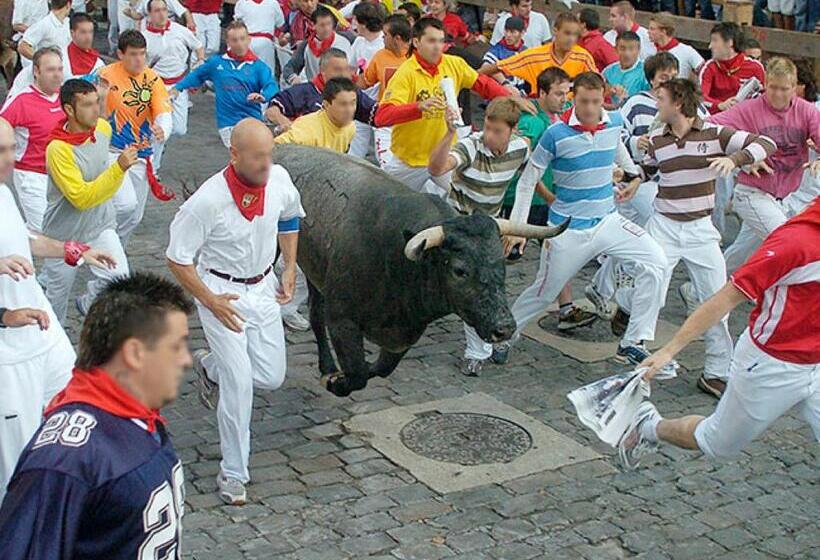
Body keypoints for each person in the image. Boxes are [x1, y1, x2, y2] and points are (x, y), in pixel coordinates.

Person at [0, 272, 194, 556]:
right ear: (135, 353)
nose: (186, 359)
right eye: (176, 346)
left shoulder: (138, 419)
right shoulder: (66, 459)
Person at [620, 198, 820, 470]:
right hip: (772, 365)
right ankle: (650, 426)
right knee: (717, 443)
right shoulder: (794, 244)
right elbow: (723, 300)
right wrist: (668, 350)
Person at [166, 118, 304, 505]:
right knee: (240, 383)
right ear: (235, 154)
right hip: (220, 291)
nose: (266, 163)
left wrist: (289, 265)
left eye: (269, 154)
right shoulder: (207, 201)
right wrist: (209, 300)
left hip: (262, 287)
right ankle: (233, 473)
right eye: (258, 156)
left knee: (271, 376)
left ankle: (210, 366)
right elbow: (177, 258)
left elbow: (291, 216)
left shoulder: (278, 179)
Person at [494, 72, 666, 367]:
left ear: (603, 99)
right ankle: (504, 336)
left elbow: (620, 153)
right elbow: (528, 179)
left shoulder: (612, 121)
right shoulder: (555, 133)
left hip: (607, 221)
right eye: (584, 101)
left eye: (596, 102)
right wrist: (519, 229)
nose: (589, 109)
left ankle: (632, 341)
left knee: (658, 261)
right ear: (574, 98)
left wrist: (632, 177)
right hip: (567, 230)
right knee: (544, 292)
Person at [0, 116, 114, 503]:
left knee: (77, 404)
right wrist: (4, 316)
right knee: (15, 462)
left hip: (42, 332)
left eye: (11, 148)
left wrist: (76, 251)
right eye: (1, 152)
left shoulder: (2, 192)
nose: (11, 160)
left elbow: (25, 237)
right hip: (8, 351)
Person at [642, 78, 776, 399]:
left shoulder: (715, 133)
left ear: (678, 103)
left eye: (661, 98)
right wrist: (632, 167)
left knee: (717, 300)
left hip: (701, 230)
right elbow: (645, 174)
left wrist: (734, 159)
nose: (656, 103)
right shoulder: (656, 138)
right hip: (664, 226)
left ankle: (716, 372)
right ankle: (642, 360)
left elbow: (764, 144)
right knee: (649, 293)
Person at [427, 98, 531, 376]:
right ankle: (477, 351)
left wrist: (517, 227)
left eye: (498, 131)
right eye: (488, 128)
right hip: (461, 224)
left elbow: (528, 183)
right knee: (472, 286)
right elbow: (436, 169)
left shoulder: (522, 149)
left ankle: (494, 335)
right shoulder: (471, 145)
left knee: (493, 284)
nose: (490, 135)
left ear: (513, 131)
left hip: (491, 227)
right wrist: (449, 134)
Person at [375, 17, 525, 195]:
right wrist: (418, 107)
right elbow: (381, 117)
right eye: (431, 41)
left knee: (468, 201)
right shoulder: (405, 73)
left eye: (440, 41)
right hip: (408, 162)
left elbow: (483, 85)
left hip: (445, 157)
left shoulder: (454, 64)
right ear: (416, 42)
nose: (437, 46)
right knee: (392, 205)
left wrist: (513, 98)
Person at [709, 58, 820, 275]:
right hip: (752, 193)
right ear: (765, 84)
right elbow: (709, 127)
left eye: (784, 89)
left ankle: (698, 293)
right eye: (773, 88)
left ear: (795, 87)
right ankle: (767, 294)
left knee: (743, 254)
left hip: (785, 196)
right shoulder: (749, 109)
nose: (778, 95)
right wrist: (743, 155)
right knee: (786, 243)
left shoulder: (807, 111)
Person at [41, 79, 139, 322]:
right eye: (87, 105)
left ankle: (88, 302)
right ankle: (55, 350)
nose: (96, 110)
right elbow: (81, 198)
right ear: (69, 110)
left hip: (99, 226)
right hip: (62, 236)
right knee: (56, 303)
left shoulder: (103, 129)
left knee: (119, 278)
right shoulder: (58, 150)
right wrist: (119, 169)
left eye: (97, 103)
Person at [99, 30, 174, 248]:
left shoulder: (152, 79)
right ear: (121, 54)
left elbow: (163, 111)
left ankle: (114, 251)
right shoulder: (104, 75)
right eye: (133, 54)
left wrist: (163, 129)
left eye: (142, 54)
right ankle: (104, 240)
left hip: (141, 155)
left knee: (135, 216)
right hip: (112, 151)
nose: (138, 59)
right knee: (125, 204)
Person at [173, 21, 279, 148]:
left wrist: (263, 96)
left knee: (252, 158)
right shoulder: (216, 63)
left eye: (242, 39)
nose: (239, 44)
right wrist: (178, 87)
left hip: (253, 120)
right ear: (228, 42)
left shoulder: (258, 67)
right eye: (235, 40)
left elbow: (272, 85)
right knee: (242, 157)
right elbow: (196, 75)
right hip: (228, 123)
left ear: (249, 40)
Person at [0, 48, 66, 232]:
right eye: (51, 70)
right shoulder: (21, 101)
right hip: (32, 176)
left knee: (55, 230)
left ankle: (16, 240)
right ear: (36, 71)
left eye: (60, 69)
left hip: (62, 173)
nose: (57, 75)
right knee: (47, 231)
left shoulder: (66, 97)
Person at [265, 48, 375, 148]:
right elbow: (271, 111)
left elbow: (376, 113)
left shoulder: (350, 123)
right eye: (337, 70)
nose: (343, 74)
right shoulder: (303, 93)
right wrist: (285, 122)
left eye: (346, 69)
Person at [143, 0, 205, 171]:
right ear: (149, 14)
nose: (161, 14)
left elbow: (198, 46)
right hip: (157, 87)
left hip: (179, 85)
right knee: (161, 129)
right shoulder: (143, 37)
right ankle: (153, 170)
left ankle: (161, 141)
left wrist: (200, 61)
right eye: (156, 11)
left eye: (164, 10)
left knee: (179, 129)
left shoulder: (180, 31)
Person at [482, 12, 597, 95]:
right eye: (567, 33)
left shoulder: (584, 57)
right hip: (540, 113)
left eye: (575, 35)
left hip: (572, 114)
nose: (571, 39)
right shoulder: (533, 56)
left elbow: (598, 84)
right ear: (555, 31)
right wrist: (503, 84)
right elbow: (495, 68)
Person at [8, 13, 105, 98]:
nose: (88, 37)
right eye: (83, 32)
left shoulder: (99, 65)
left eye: (90, 32)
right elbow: (23, 81)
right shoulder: (56, 59)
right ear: (72, 33)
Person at [360, 14, 411, 167]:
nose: (382, 37)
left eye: (386, 34)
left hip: (410, 120)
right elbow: (365, 81)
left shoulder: (417, 57)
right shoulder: (380, 56)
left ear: (397, 38)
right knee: (387, 165)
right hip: (386, 119)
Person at [274, 76, 358, 151]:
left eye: (352, 103)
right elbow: (274, 148)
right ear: (326, 105)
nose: (349, 110)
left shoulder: (350, 127)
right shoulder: (306, 131)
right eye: (343, 104)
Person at [699, 22, 765, 114]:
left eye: (715, 40)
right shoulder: (709, 67)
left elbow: (765, 98)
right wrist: (720, 105)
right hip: (718, 121)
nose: (710, 46)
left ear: (730, 42)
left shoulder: (756, 67)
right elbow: (700, 98)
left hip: (747, 120)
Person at [347, 2, 385, 158]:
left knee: (382, 152)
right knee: (356, 147)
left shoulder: (385, 43)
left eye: (356, 20)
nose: (353, 24)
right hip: (362, 100)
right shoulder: (358, 42)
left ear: (364, 23)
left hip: (381, 104)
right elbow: (350, 67)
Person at [283, 5, 352, 84]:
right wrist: (293, 78)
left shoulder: (343, 41)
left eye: (329, 24)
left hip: (338, 88)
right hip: (314, 90)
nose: (326, 28)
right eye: (322, 25)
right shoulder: (306, 45)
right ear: (313, 25)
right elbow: (290, 67)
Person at [234, 0, 286, 74]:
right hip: (265, 42)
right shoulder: (273, 3)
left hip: (246, 41)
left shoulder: (241, 3)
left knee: (246, 73)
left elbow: (237, 24)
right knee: (267, 74)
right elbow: (280, 23)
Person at [648, 12, 704, 80]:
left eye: (652, 29)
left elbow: (705, 72)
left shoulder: (686, 51)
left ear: (663, 31)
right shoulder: (649, 48)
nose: (648, 31)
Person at [17, 0, 71, 69]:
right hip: (50, 73)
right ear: (68, 4)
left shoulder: (68, 22)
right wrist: (43, 61)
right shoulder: (44, 24)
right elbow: (22, 47)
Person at [480, 16, 527, 95]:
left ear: (522, 33)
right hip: (499, 96)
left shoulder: (525, 51)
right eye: (506, 31)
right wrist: (505, 83)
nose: (508, 35)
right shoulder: (497, 50)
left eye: (512, 32)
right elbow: (485, 66)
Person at [603, 31, 650, 108]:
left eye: (631, 49)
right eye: (622, 48)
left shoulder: (647, 72)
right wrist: (608, 92)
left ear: (638, 50)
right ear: (616, 49)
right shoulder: (608, 72)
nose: (627, 53)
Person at [578, 7, 617, 73]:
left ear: (583, 25)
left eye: (576, 21)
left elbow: (615, 65)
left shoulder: (601, 44)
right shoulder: (579, 40)